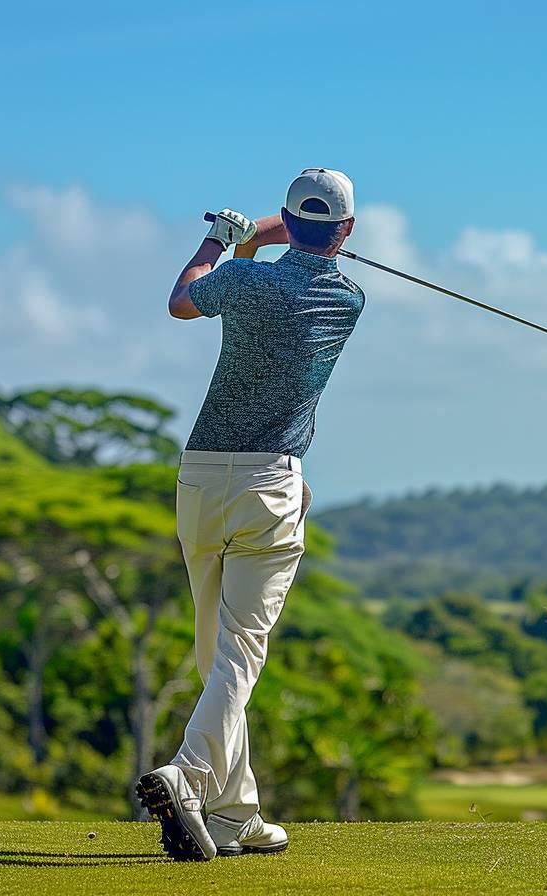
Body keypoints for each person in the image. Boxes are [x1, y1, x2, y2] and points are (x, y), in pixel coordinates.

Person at [136, 169, 364, 861]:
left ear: (289, 221)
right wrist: (261, 236)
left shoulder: (244, 284)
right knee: (237, 653)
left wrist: (217, 238)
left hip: (202, 477)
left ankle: (236, 816)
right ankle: (191, 777)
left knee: (217, 654)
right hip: (271, 483)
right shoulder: (348, 297)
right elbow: (293, 243)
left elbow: (182, 301)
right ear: (347, 232)